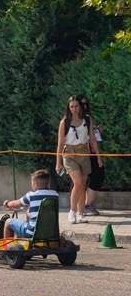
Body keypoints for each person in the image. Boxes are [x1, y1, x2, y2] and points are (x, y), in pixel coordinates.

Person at [56, 95, 99, 223]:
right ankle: (72, 211)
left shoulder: (87, 119)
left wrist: (98, 157)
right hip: (69, 154)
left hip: (84, 153)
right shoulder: (65, 122)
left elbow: (92, 139)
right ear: (68, 108)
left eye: (76, 106)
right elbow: (59, 144)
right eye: (71, 106)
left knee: (83, 185)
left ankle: (81, 213)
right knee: (78, 182)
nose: (74, 109)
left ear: (80, 107)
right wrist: (58, 163)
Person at [2, 170, 59, 239]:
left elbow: (15, 204)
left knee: (8, 222)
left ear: (35, 184)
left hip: (32, 232)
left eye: (32, 182)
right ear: (48, 183)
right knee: (28, 214)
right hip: (51, 232)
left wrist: (7, 203)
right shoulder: (55, 195)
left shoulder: (31, 195)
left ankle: (7, 247)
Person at [77, 95, 104, 217]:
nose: (85, 106)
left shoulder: (88, 118)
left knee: (97, 176)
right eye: (82, 104)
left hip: (91, 151)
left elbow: (92, 138)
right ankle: (82, 206)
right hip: (81, 153)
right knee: (81, 180)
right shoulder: (73, 119)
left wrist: (96, 130)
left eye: (86, 104)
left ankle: (86, 205)